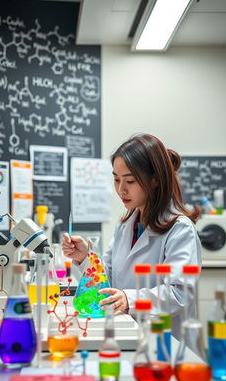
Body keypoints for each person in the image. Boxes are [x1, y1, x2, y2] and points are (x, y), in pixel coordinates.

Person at [62, 133, 202, 340]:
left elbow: (179, 294)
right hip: (128, 334)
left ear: (155, 180)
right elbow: (107, 280)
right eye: (116, 179)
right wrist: (85, 258)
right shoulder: (126, 226)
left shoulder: (180, 229)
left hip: (166, 339)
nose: (120, 189)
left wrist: (129, 298)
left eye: (130, 181)